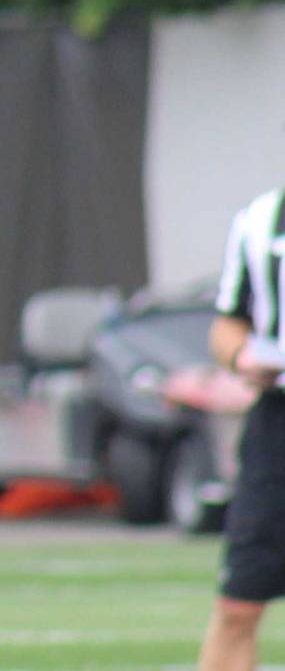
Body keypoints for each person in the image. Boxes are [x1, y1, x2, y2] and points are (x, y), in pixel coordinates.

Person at [198, 189, 285, 671]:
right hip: (278, 423)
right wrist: (242, 357)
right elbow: (228, 322)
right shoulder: (262, 217)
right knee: (238, 604)